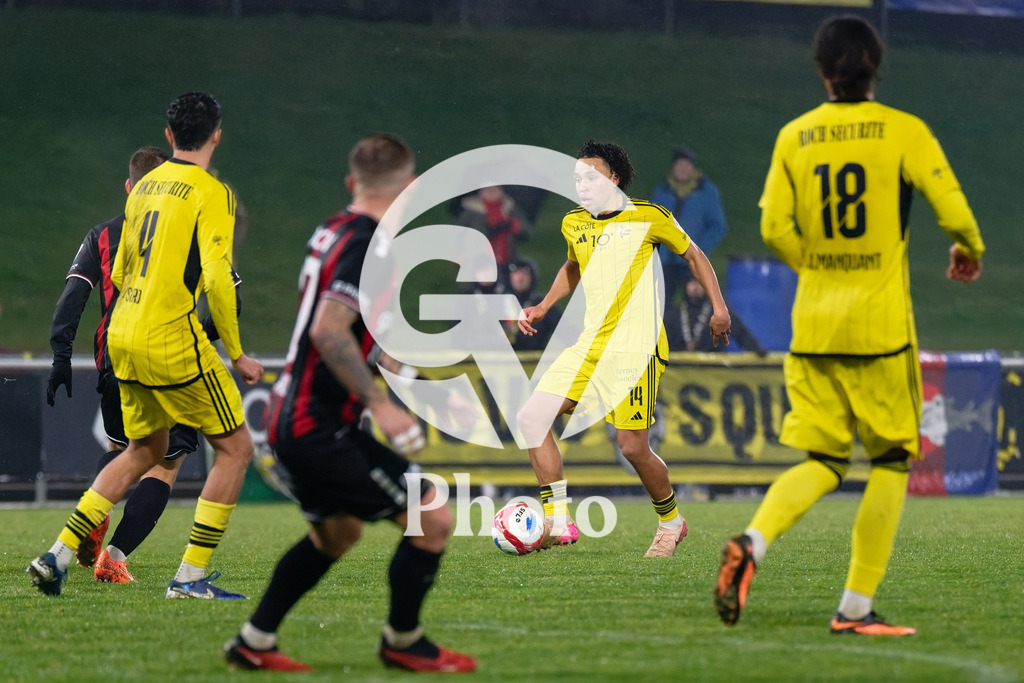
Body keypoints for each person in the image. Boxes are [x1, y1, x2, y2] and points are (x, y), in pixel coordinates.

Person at [713, 16, 985, 636]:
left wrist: (822, 266)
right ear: (876, 66)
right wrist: (966, 246)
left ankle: (752, 541)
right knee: (891, 459)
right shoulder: (903, 131)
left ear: (822, 69)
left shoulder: (795, 137)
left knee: (824, 460)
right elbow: (954, 210)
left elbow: (774, 227)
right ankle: (855, 608)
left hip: (811, 327)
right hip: (879, 330)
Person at [222, 134, 475, 673]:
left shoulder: (332, 230)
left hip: (298, 416)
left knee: (337, 534)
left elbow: (359, 332)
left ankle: (254, 640)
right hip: (319, 425)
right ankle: (403, 641)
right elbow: (329, 332)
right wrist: (382, 406)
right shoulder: (368, 244)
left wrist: (416, 383)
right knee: (431, 514)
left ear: (350, 183)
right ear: (409, 188)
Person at [28, 92, 263, 600]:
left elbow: (123, 268)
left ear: (168, 135)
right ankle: (189, 577)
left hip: (122, 337)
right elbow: (221, 280)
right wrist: (237, 352)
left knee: (141, 451)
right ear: (216, 135)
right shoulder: (211, 192)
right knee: (236, 448)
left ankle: (56, 556)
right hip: (172, 337)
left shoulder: (143, 189)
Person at [517, 140, 731, 558]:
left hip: (637, 348)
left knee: (632, 446)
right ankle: (557, 521)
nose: (582, 185)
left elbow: (694, 255)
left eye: (591, 176)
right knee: (531, 418)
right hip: (590, 345)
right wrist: (544, 305)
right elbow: (573, 265)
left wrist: (719, 308)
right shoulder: (574, 223)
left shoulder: (648, 217)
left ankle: (671, 523)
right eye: (577, 177)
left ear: (614, 178)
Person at [650, 145, 728, 308]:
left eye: (686, 165)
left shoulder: (707, 193)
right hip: (665, 260)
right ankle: (663, 333)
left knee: (696, 304)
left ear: (693, 167)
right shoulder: (662, 192)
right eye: (679, 165)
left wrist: (698, 249)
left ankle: (693, 334)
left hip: (691, 259)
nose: (683, 169)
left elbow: (718, 226)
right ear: (673, 168)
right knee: (659, 306)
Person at [665, 276, 766, 354]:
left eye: (699, 282)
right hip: (681, 369)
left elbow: (740, 332)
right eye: (691, 282)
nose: (695, 287)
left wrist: (757, 349)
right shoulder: (675, 314)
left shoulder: (718, 311)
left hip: (710, 369)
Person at [455, 185, 530, 275]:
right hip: (478, 264)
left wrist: (513, 225)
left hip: (506, 261)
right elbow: (457, 234)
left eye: (495, 187)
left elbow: (526, 232)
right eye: (487, 188)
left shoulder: (511, 209)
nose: (491, 191)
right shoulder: (470, 211)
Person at [507, 258, 562, 352]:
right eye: (515, 273)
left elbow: (567, 331)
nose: (520, 278)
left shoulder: (542, 304)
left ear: (532, 277)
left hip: (535, 359)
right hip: (501, 360)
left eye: (524, 273)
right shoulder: (501, 303)